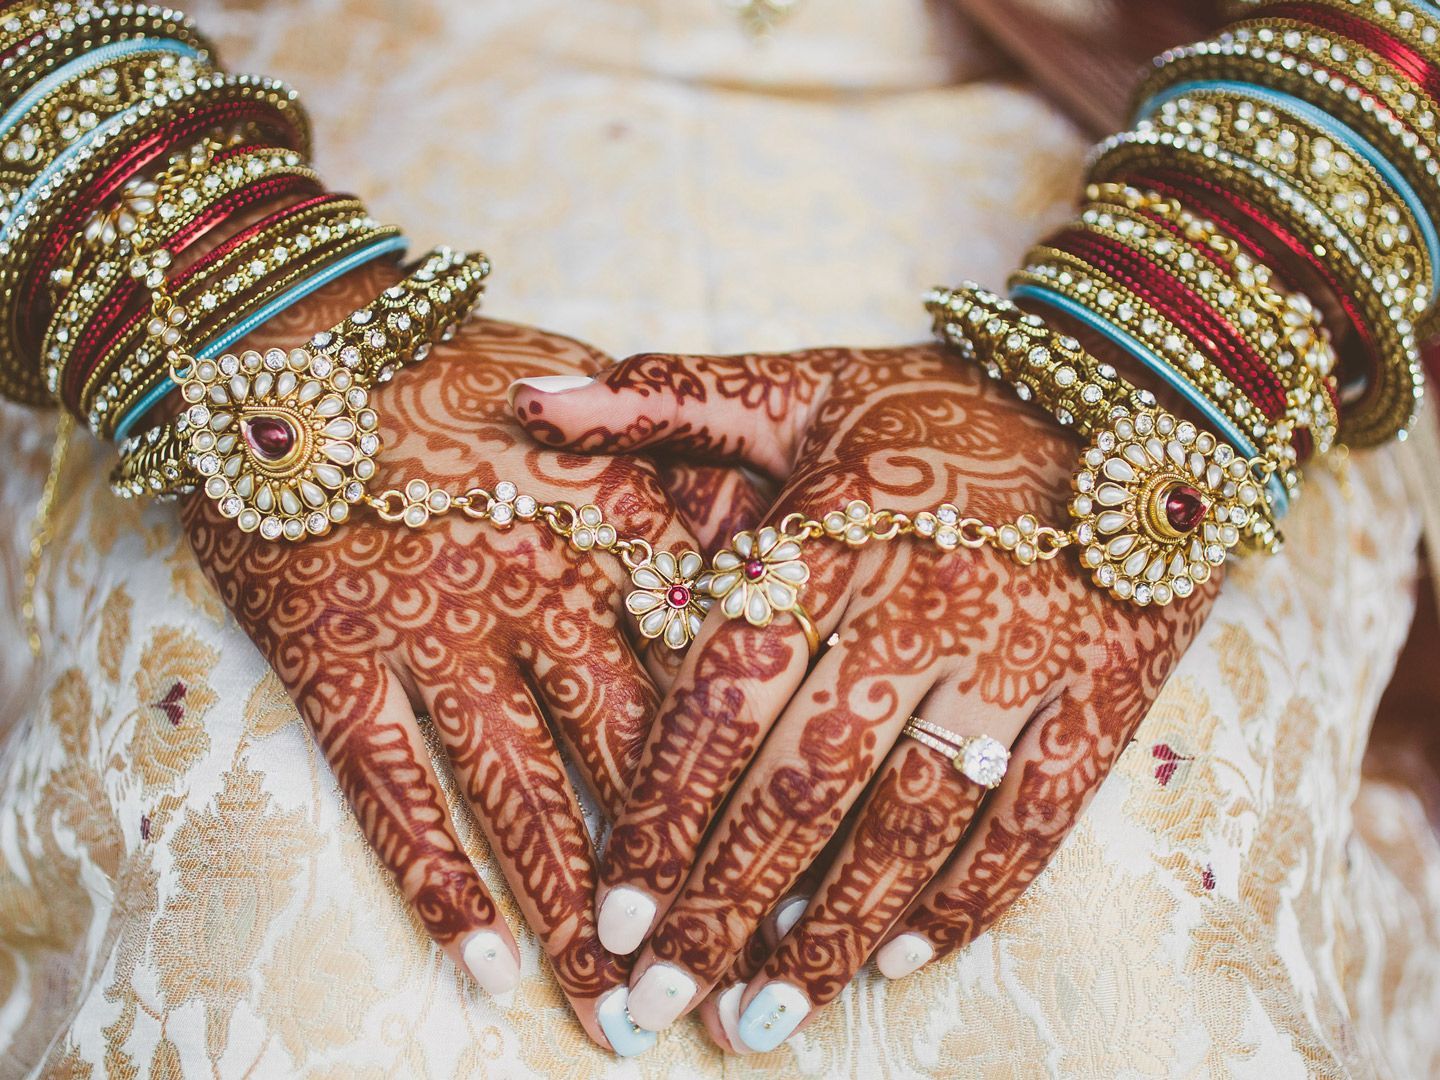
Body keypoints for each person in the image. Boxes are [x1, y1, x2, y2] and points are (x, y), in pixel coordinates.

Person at [1, 1, 1438, 1076]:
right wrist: (229, 289)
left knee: (1108, 878)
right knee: (284, 854)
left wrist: (1161, 346)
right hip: (253, 104)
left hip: (1139, 106)